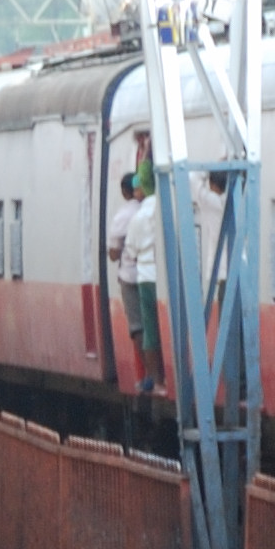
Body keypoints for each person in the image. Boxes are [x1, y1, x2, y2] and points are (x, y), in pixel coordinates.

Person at [107, 169, 163, 396]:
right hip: (158, 277)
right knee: (156, 327)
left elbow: (117, 252)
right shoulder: (159, 207)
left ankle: (153, 378)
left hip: (135, 277)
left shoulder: (128, 216)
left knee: (140, 328)